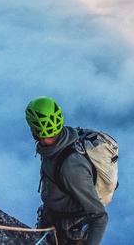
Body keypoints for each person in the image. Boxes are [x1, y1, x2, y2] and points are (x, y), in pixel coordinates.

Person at [26, 96, 108, 245]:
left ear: (35, 129)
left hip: (68, 235)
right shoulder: (54, 147)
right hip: (51, 222)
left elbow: (99, 216)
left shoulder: (72, 167)